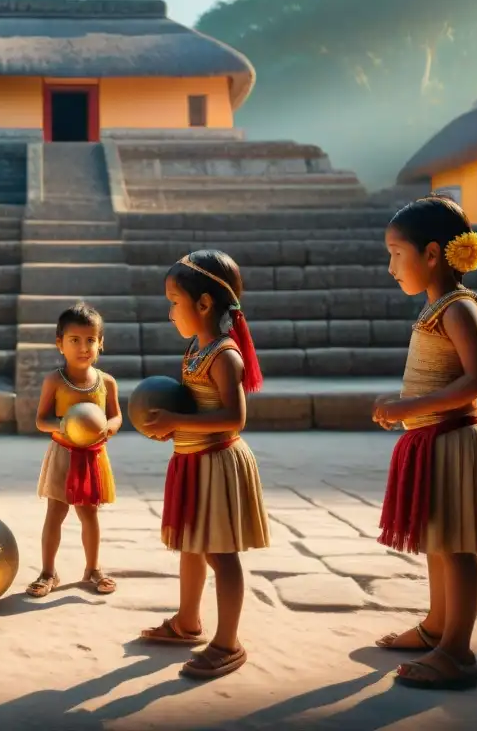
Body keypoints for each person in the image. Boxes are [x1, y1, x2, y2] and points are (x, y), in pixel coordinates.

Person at [372, 196, 477, 691]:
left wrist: (408, 406)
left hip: (452, 439)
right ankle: (436, 626)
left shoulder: (457, 307)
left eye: (395, 253)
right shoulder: (439, 306)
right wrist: (409, 409)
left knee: (456, 548)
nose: (390, 267)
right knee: (436, 539)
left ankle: (458, 651)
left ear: (432, 255)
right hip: (431, 438)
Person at [138, 250, 270, 680]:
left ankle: (228, 642)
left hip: (217, 462)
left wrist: (177, 420)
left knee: (220, 553)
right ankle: (187, 620)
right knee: (190, 545)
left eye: (175, 301)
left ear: (204, 304)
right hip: (192, 459)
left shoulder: (224, 355)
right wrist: (173, 427)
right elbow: (196, 405)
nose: (171, 311)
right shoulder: (198, 348)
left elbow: (235, 417)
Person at [25, 302, 122, 598]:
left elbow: (117, 416)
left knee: (89, 514)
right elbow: (41, 420)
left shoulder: (106, 382)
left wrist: (107, 427)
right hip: (64, 454)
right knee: (55, 512)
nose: (83, 347)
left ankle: (92, 569)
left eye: (91, 340)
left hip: (92, 456)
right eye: (75, 340)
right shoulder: (55, 381)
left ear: (100, 343)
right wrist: (65, 425)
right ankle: (48, 571)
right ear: (60, 344)